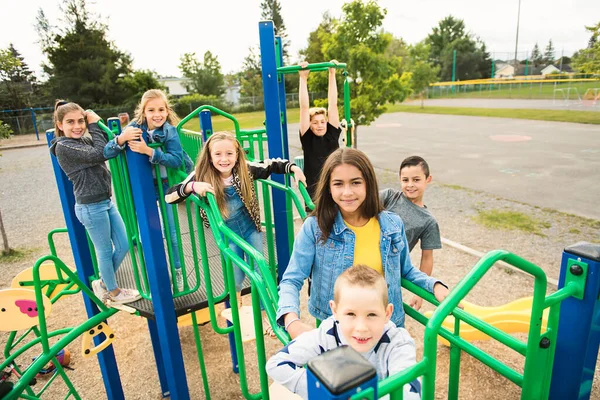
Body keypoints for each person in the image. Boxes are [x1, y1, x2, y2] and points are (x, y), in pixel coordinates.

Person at [276, 147, 451, 339]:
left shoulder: (391, 224)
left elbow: (406, 270)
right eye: (338, 184)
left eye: (356, 182)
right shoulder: (315, 228)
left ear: (368, 184)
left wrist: (434, 286)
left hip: (384, 326)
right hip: (339, 331)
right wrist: (291, 321)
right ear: (329, 187)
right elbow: (291, 280)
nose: (347, 192)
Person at [165, 132, 306, 335]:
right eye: (218, 154)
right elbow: (170, 195)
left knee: (261, 271)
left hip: (249, 229)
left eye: (229, 153)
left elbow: (271, 165)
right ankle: (236, 297)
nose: (224, 159)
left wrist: (293, 168)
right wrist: (193, 186)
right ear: (210, 156)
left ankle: (269, 316)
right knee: (237, 276)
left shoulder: (245, 169)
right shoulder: (201, 174)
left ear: (237, 154)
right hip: (227, 236)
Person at [267, 265, 421, 399]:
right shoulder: (328, 333)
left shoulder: (397, 343)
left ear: (388, 313)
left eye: (372, 315)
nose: (361, 327)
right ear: (335, 310)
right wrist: (322, 392)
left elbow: (411, 393)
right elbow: (277, 364)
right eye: (351, 314)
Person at [50, 100, 140, 305]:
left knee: (124, 244)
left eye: (81, 121)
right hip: (90, 207)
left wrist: (99, 126)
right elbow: (100, 152)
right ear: (60, 125)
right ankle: (113, 292)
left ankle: (103, 282)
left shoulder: (81, 141)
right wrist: (93, 125)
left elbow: (109, 146)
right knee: (105, 251)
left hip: (105, 202)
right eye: (70, 122)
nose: (77, 126)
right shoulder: (64, 146)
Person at [104, 89, 193, 292]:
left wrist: (149, 151)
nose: (157, 114)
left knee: (171, 232)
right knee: (148, 233)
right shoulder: (134, 128)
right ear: (143, 111)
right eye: (151, 109)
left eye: (161, 109)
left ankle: (178, 272)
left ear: (167, 110)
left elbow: (177, 160)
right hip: (143, 188)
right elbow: (107, 152)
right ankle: (156, 273)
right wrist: (121, 138)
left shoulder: (169, 130)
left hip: (165, 184)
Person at [380, 156, 441, 311]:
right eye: (405, 180)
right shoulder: (389, 197)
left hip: (390, 269)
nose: (410, 185)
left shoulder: (428, 221)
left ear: (428, 179)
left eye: (416, 180)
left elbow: (427, 257)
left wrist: (420, 293)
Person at [299, 60, 341, 201]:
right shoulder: (307, 138)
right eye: (315, 123)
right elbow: (304, 108)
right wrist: (303, 78)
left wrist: (332, 73)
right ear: (310, 125)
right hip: (314, 187)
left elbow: (333, 104)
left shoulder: (332, 133)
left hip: (335, 183)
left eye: (323, 122)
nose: (320, 125)